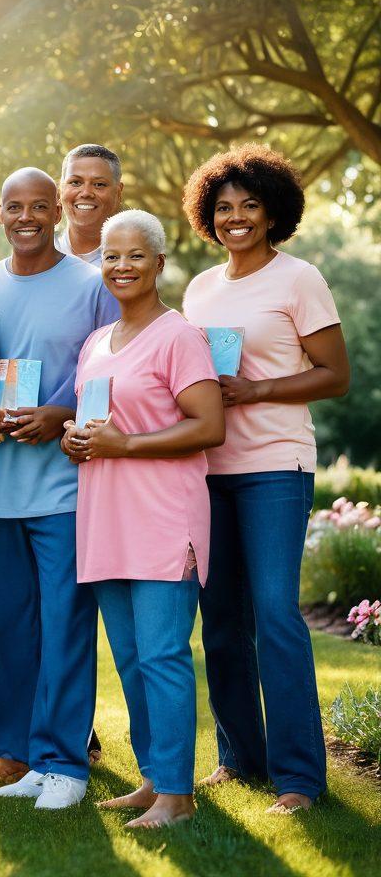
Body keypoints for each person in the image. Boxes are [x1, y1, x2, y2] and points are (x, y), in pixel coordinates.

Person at [181, 145, 349, 814]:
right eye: (224, 208)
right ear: (208, 216)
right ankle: (239, 758)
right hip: (208, 470)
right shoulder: (199, 289)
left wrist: (256, 390)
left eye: (250, 205)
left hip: (275, 467)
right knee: (220, 622)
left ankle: (301, 778)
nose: (237, 218)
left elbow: (336, 375)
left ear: (274, 210)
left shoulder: (299, 279)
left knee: (276, 615)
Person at [62, 209, 224, 829]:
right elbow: (98, 422)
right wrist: (76, 439)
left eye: (136, 256)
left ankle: (178, 796)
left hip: (162, 517)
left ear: (158, 264)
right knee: (130, 657)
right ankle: (156, 777)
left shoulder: (178, 335)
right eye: (111, 256)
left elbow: (209, 425)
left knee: (162, 655)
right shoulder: (96, 343)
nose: (122, 266)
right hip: (105, 517)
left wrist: (123, 446)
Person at [0, 168, 118, 809]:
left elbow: (113, 373)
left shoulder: (93, 285)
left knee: (63, 625)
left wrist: (57, 413)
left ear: (57, 211)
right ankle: (11, 754)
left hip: (65, 487)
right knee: (8, 624)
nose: (26, 216)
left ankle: (63, 763)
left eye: (38, 206)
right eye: (13, 206)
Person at [55, 144, 124, 265]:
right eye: (75, 182)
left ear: (118, 193)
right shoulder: (39, 254)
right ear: (60, 190)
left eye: (99, 184)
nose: (86, 193)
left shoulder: (133, 259)